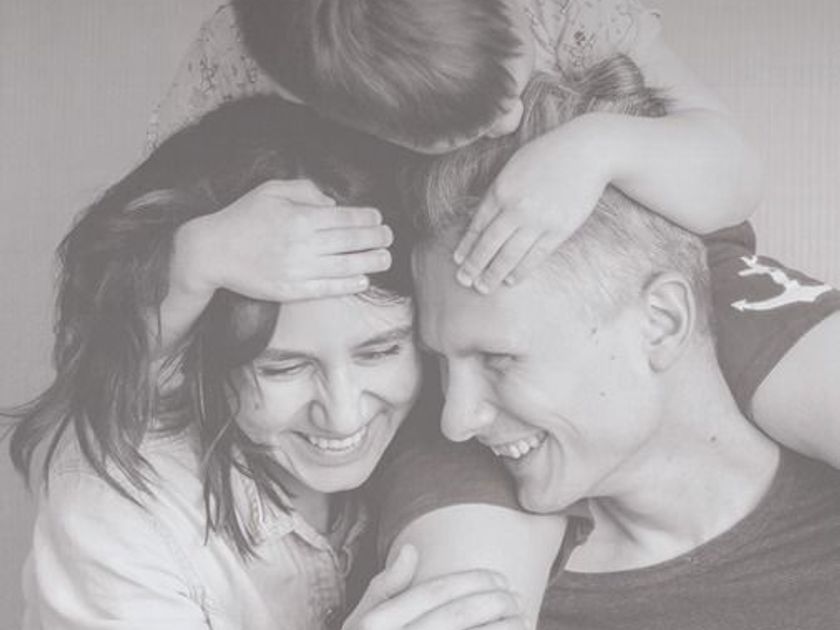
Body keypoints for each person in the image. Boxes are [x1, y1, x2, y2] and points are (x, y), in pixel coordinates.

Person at [146, 0, 840, 468]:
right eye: (458, 128)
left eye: (513, 81)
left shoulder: (560, 8)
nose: (508, 119)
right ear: (310, 102)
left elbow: (734, 174)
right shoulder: (242, 73)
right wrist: (199, 252)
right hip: (435, 330)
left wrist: (601, 149)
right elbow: (127, 316)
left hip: (661, 263)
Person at [9, 97, 546, 630]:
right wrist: (191, 262)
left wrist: (591, 153)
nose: (343, 415)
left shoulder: (463, 418)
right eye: (283, 368)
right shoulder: (118, 518)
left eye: (380, 351)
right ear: (203, 358)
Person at [402, 62, 840, 629]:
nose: (456, 421)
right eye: (440, 362)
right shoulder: (475, 597)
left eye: (498, 359)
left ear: (661, 322)